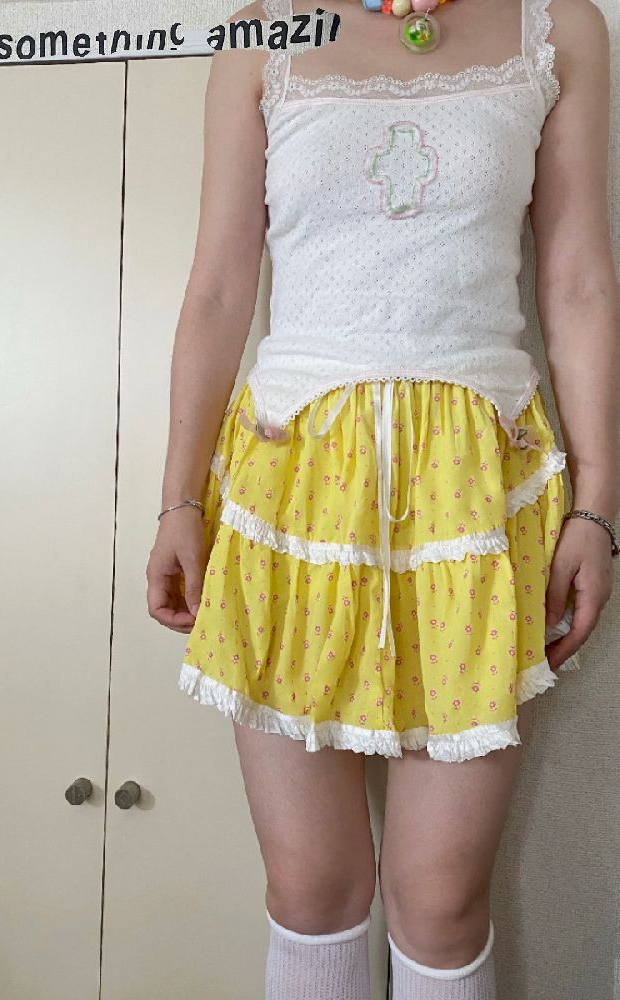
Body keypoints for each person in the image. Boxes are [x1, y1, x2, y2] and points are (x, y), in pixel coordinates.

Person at [147, 0, 619, 996]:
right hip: (291, 493)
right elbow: (220, 287)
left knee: (441, 898)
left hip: (474, 498)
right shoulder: (259, 36)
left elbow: (579, 282)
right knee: (311, 884)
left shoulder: (559, 27)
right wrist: (177, 498)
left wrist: (596, 508)